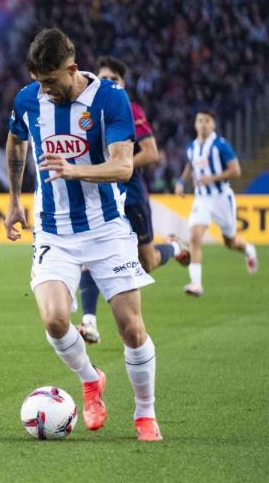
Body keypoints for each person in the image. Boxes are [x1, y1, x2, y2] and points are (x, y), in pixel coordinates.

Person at [3, 28, 162, 441]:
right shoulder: (28, 99)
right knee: (55, 320)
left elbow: (124, 166)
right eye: (39, 82)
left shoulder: (110, 98)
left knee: (131, 328)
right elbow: (16, 143)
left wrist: (75, 169)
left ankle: (145, 413)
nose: (46, 90)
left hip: (107, 229)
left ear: (71, 69)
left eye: (51, 81)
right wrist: (14, 200)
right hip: (53, 230)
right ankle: (91, 381)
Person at [75, 57, 190, 343]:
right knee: (91, 253)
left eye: (114, 79)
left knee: (147, 261)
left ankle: (174, 247)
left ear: (124, 84)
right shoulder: (85, 110)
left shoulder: (129, 108)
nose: (109, 83)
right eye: (104, 78)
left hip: (130, 191)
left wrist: (120, 164)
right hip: (100, 193)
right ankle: (89, 321)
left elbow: (152, 153)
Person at [175, 110, 258, 296]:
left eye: (207, 121)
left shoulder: (221, 146)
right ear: (195, 124)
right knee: (195, 237)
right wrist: (181, 182)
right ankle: (196, 284)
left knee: (230, 242)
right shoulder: (192, 147)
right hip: (202, 199)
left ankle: (249, 249)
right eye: (199, 121)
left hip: (221, 199)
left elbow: (235, 171)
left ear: (213, 124)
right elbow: (190, 165)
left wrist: (212, 178)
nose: (203, 124)